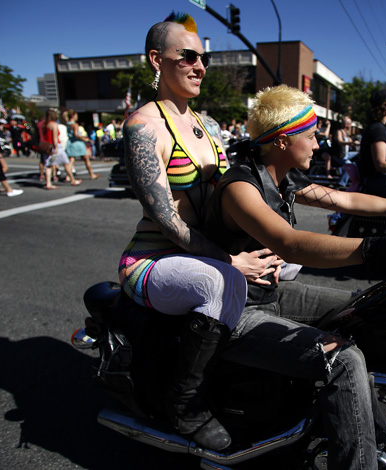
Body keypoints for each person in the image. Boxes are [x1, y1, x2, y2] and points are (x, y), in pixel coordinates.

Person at [205, 84, 386, 469]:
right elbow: (290, 243)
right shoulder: (241, 186)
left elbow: (345, 198)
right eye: (311, 134)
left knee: (372, 306)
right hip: (236, 312)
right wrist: (385, 250)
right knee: (344, 359)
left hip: (271, 293)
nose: (318, 142)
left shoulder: (282, 178)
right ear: (284, 140)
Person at [119, 12, 275, 451]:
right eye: (186, 56)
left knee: (288, 260)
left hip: (207, 249)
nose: (199, 66)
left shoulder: (207, 126)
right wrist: (230, 260)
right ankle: (184, 404)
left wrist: (266, 242)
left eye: (202, 58)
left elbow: (232, 196)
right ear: (156, 60)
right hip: (153, 260)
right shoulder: (143, 128)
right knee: (219, 280)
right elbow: (167, 219)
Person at [65, 110, 98, 180]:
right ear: (73, 115)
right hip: (78, 143)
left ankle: (68, 176)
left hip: (71, 143)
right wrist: (84, 139)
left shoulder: (68, 123)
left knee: (71, 160)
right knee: (86, 159)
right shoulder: (75, 124)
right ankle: (91, 174)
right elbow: (76, 134)